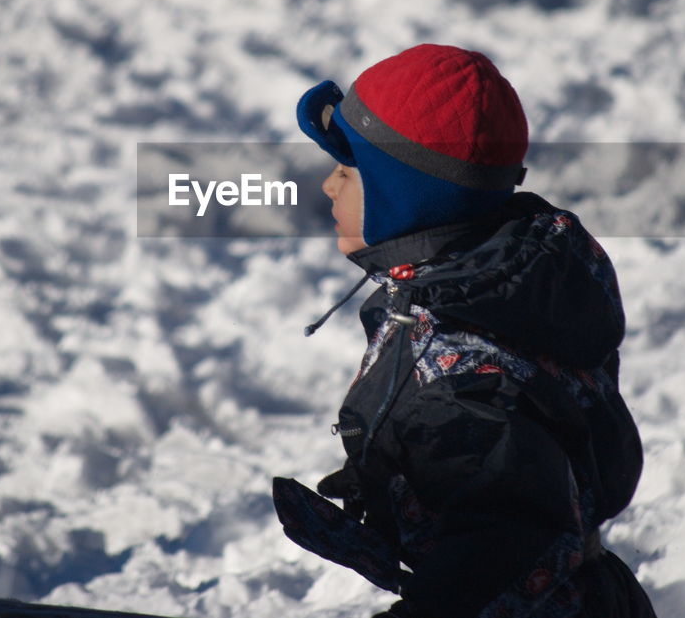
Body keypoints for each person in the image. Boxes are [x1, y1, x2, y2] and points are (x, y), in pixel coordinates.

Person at [272, 44, 657, 618]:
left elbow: (500, 552)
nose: (329, 186)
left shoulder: (460, 380)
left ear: (404, 199)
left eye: (347, 172)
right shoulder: (498, 283)